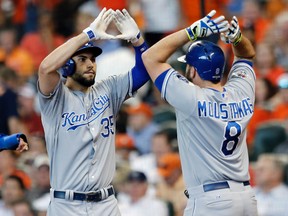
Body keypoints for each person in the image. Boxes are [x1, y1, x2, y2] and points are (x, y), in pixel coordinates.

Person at [142, 10, 258, 215]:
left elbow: (150, 57)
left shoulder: (190, 98)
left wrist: (190, 32)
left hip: (213, 200)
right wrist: (237, 39)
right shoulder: (241, 92)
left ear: (193, 71)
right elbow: (247, 54)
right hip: (246, 197)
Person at [37, 8, 150, 216]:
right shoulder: (55, 97)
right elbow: (45, 68)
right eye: (83, 60)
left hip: (105, 203)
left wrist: (138, 41)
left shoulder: (109, 89)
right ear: (68, 65)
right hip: (67, 205)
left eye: (93, 60)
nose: (91, 65)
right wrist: (87, 35)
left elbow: (144, 72)